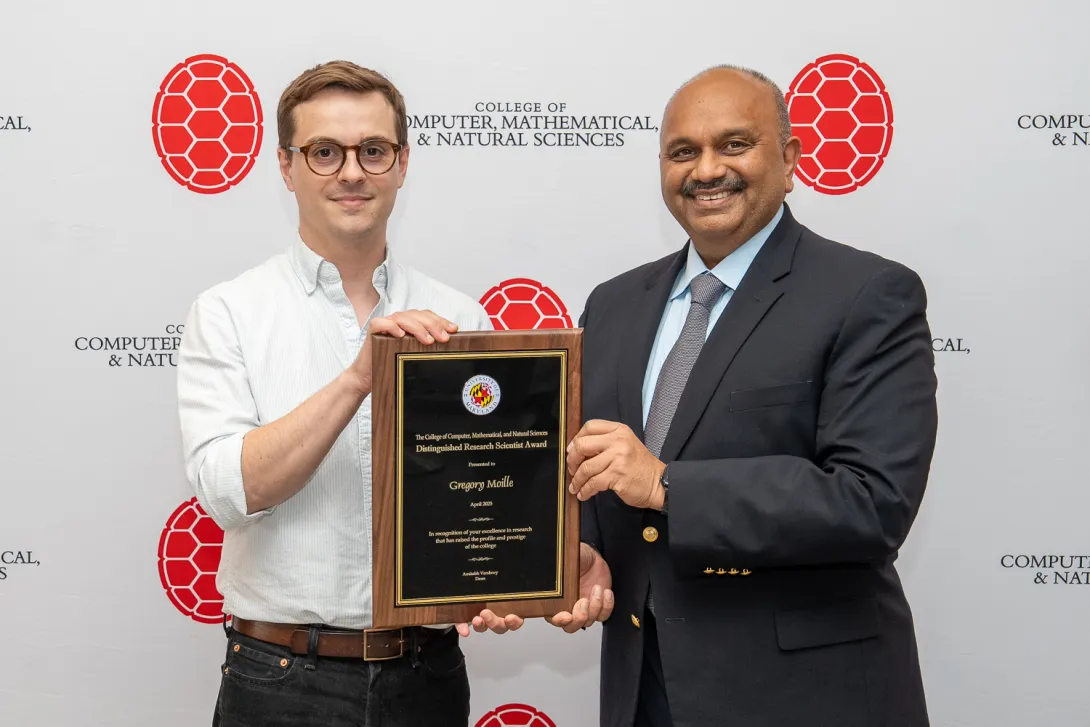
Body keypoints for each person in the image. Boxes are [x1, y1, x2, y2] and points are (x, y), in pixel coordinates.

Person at [549, 65, 937, 726]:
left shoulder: (868, 295)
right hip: (644, 693)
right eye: (683, 151)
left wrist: (668, 483)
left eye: (733, 145)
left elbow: (872, 502)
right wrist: (575, 555)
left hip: (808, 697)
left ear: (789, 159)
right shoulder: (612, 305)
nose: (706, 169)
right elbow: (596, 477)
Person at [176, 60, 519, 727]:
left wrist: (495, 574)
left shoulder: (461, 316)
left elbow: (486, 487)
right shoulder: (228, 312)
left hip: (429, 672)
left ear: (402, 162)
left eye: (373, 150)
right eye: (325, 152)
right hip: (278, 680)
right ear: (285, 166)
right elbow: (228, 492)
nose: (353, 172)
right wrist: (360, 377)